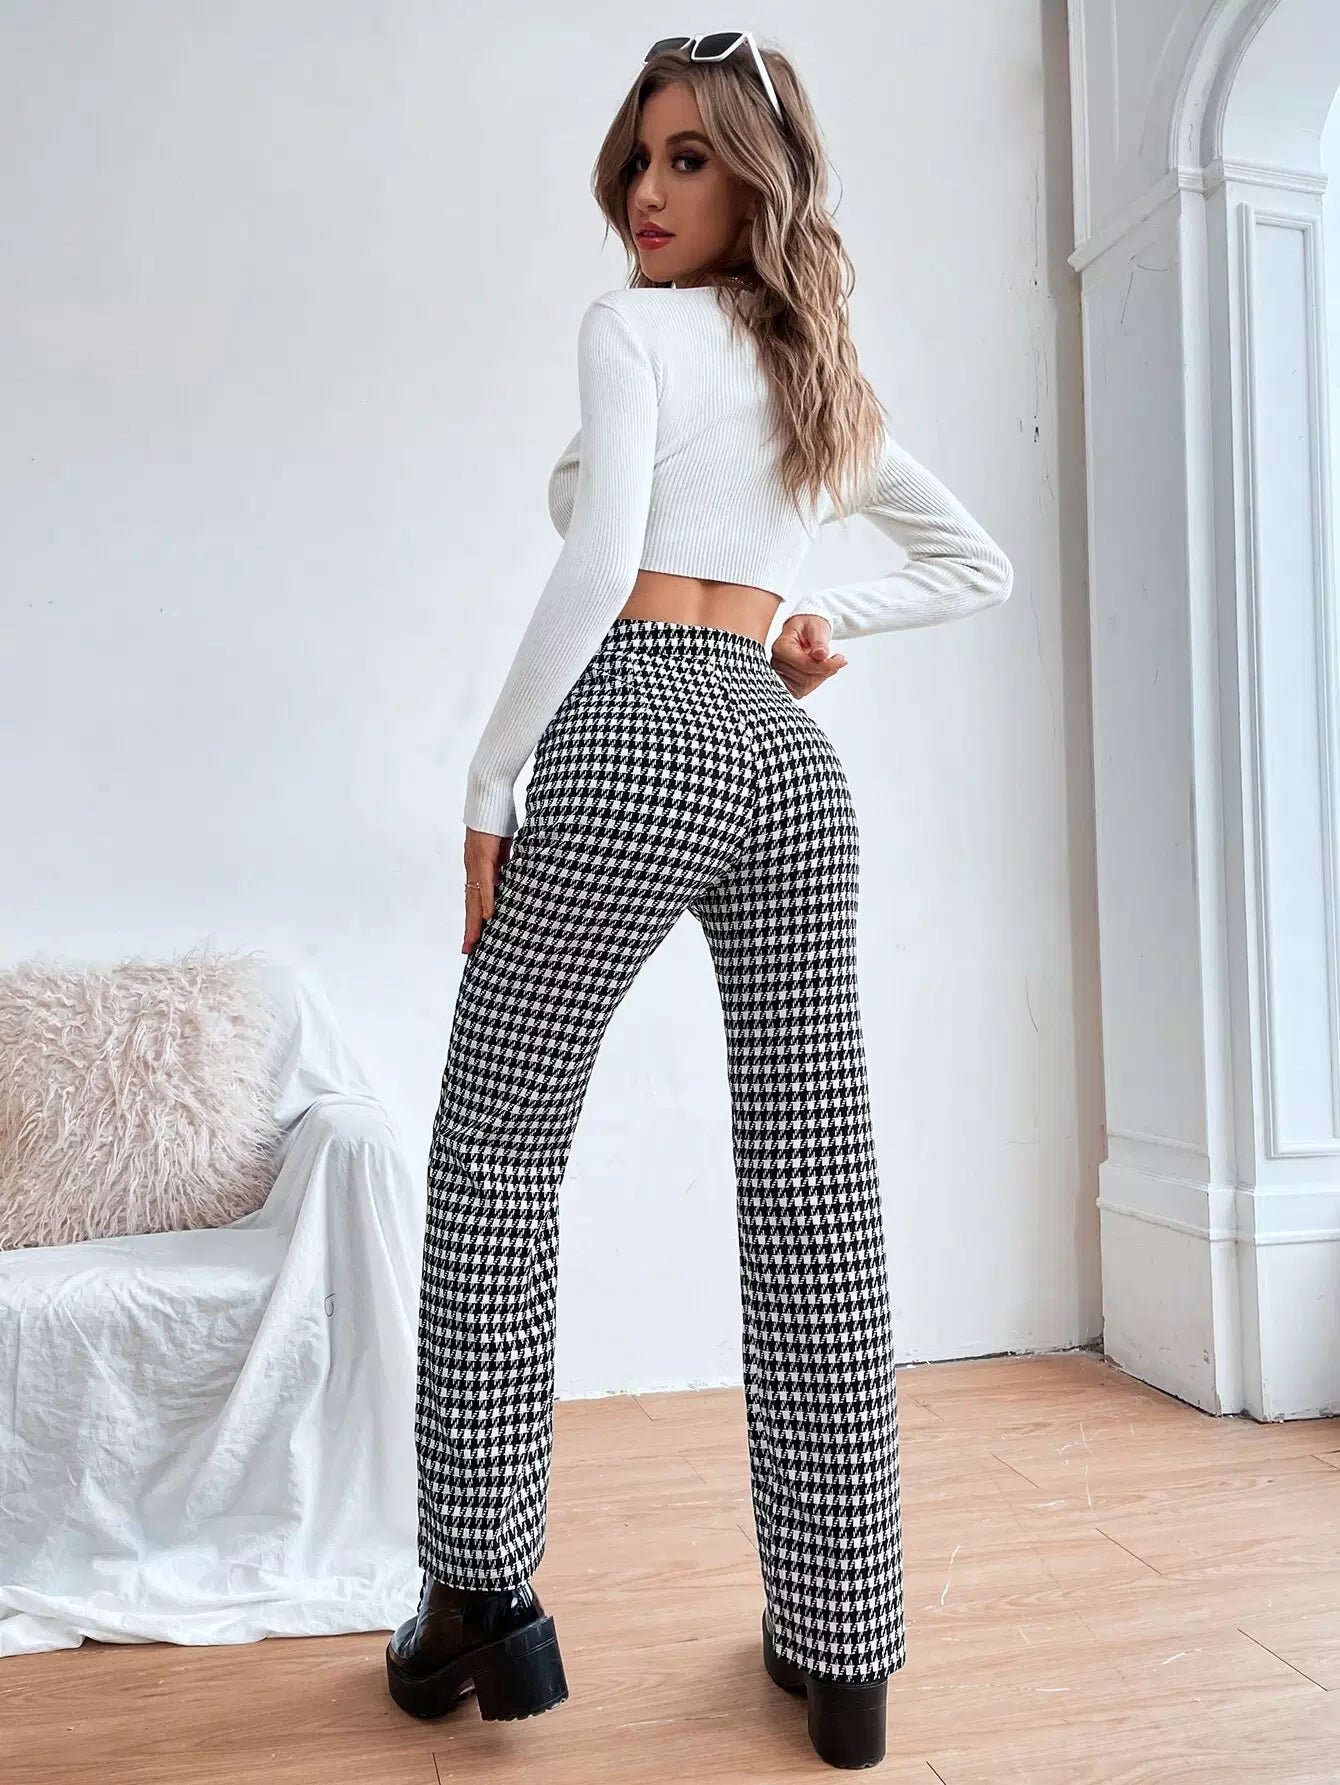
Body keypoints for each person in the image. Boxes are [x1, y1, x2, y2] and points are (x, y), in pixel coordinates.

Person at [385, 31, 1012, 1772]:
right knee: (818, 1190)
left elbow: (601, 565)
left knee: (495, 1149)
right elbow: (972, 562)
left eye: (689, 159)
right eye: (640, 160)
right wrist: (814, 628)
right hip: (786, 762)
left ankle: (477, 1597)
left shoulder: (633, 332)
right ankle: (844, 1643)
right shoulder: (822, 378)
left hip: (640, 721)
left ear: (758, 175)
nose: (648, 194)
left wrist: (490, 783)